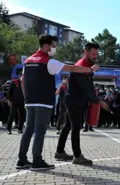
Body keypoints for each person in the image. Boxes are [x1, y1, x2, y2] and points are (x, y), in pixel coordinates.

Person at [17, 35, 100, 171]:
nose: (54, 49)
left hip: (30, 101)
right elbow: (72, 68)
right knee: (39, 132)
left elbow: (22, 80)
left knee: (28, 130)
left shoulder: (28, 60)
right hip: (43, 102)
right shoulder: (48, 62)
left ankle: (22, 160)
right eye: (53, 46)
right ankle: (37, 161)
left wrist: (26, 98)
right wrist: (90, 70)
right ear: (45, 46)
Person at [55, 43, 109, 166]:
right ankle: (77, 156)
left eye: (97, 54)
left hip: (76, 100)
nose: (95, 56)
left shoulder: (88, 65)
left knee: (67, 126)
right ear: (86, 52)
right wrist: (99, 101)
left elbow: (89, 86)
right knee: (76, 127)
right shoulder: (81, 66)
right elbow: (86, 88)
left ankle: (59, 152)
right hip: (74, 101)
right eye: (93, 54)